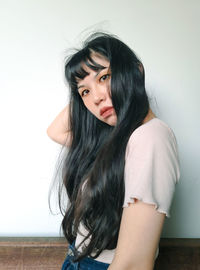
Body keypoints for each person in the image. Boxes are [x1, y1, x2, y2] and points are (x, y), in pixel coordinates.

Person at [47, 32, 180, 270]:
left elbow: (133, 264)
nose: (96, 98)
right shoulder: (113, 140)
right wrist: (85, 84)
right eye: (84, 92)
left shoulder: (151, 136)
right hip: (77, 260)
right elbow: (55, 131)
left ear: (135, 72)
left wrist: (92, 84)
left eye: (104, 77)